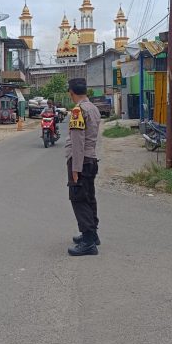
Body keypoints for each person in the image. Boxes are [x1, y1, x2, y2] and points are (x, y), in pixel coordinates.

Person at [65, 78, 102, 256]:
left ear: (71, 92)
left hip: (81, 160)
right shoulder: (93, 108)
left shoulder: (78, 110)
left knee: (79, 198)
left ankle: (88, 241)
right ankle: (92, 234)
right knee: (89, 197)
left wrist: (75, 168)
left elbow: (77, 141)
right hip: (91, 159)